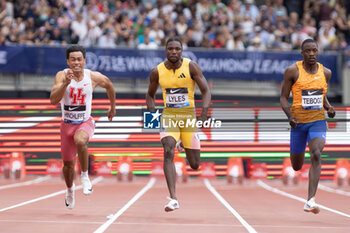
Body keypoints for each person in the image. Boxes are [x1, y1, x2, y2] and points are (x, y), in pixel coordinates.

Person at [146, 37, 211, 212]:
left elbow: (205, 90)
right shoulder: (157, 71)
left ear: (182, 51)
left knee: (195, 163)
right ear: (165, 51)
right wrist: (152, 113)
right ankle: (173, 198)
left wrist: (204, 113)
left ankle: (183, 142)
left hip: (189, 117)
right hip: (169, 116)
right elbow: (150, 95)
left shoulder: (191, 66)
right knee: (168, 149)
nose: (174, 52)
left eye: (177, 49)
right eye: (170, 49)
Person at [50, 45, 116, 209]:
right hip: (66, 125)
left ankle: (85, 176)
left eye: (79, 59)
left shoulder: (92, 76)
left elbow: (109, 85)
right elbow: (53, 100)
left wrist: (113, 107)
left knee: (81, 141)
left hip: (85, 122)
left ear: (84, 61)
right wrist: (65, 84)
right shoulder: (61, 75)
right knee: (68, 166)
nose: (76, 62)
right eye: (73, 59)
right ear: (68, 61)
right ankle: (70, 190)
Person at [280, 38, 335, 214]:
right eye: (308, 51)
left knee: (317, 154)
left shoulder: (326, 72)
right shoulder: (292, 71)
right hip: (298, 124)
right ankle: (308, 196)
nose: (312, 54)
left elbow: (321, 95)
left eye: (314, 51)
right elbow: (283, 97)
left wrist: (328, 107)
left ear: (318, 52)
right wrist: (290, 116)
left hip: (317, 121)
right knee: (296, 166)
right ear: (302, 53)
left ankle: (310, 200)